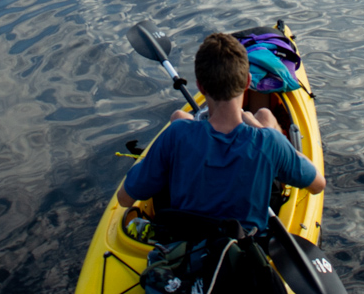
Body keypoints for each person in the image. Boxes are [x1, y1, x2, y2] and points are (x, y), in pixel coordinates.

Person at [116, 32, 325, 233]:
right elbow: (317, 185)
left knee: (179, 117)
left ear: (201, 87)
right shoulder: (269, 142)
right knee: (264, 115)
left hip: (186, 249)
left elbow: (124, 199)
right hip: (241, 254)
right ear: (247, 82)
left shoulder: (176, 135)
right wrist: (266, 130)